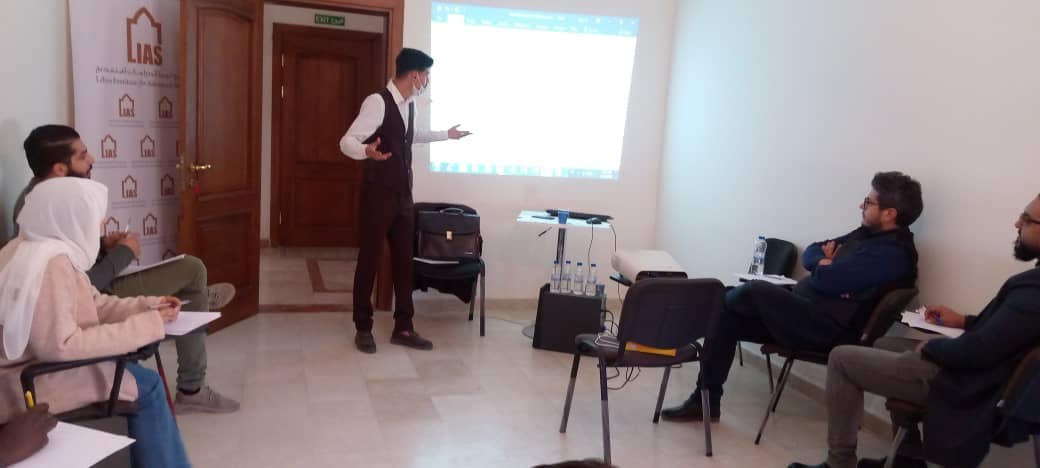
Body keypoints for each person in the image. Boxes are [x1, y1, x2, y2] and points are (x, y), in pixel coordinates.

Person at [789, 194, 1040, 468]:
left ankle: (839, 463)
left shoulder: (1034, 291)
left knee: (841, 358)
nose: (1017, 223)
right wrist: (963, 321)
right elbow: (1008, 333)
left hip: (968, 383)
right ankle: (906, 459)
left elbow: (979, 350)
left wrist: (931, 348)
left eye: (1027, 220)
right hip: (977, 372)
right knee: (885, 344)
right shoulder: (1031, 286)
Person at [13, 124, 239, 414]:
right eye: (82, 155)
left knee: (189, 277)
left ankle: (196, 305)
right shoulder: (36, 206)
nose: (92, 159)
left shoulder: (40, 197)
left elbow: (69, 260)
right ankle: (192, 384)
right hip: (97, 292)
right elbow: (79, 284)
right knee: (193, 271)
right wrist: (123, 254)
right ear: (59, 168)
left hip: (96, 287)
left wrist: (102, 244)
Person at [662, 171, 923, 422]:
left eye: (868, 202)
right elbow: (812, 251)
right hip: (804, 315)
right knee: (724, 316)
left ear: (890, 213)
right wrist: (824, 261)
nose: (861, 205)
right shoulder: (866, 235)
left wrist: (826, 268)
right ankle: (705, 402)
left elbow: (826, 280)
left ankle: (681, 319)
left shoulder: (893, 255)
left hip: (828, 331)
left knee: (755, 290)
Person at [0, 177, 191, 467]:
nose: (100, 225)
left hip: (29, 370)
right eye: (96, 218)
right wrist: (147, 325)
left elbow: (94, 304)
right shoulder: (50, 264)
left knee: (134, 374)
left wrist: (150, 305)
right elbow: (63, 346)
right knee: (148, 384)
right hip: (25, 382)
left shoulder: (27, 248)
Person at [339, 48, 471, 353]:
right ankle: (363, 327)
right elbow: (346, 141)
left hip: (403, 196)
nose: (426, 81)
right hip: (377, 196)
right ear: (414, 75)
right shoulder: (377, 102)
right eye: (425, 75)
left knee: (403, 262)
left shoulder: (409, 105)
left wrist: (446, 135)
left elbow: (411, 136)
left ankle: (404, 327)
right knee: (369, 260)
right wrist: (365, 151)